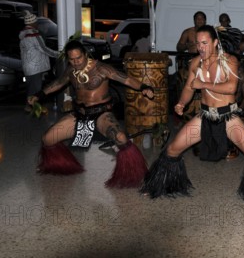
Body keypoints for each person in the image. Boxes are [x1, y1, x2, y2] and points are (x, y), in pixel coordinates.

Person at [141, 25, 244, 205]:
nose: (200, 47)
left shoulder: (229, 61)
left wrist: (204, 84)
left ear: (215, 43)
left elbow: (231, 87)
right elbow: (188, 88)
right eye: (198, 43)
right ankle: (157, 185)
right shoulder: (195, 63)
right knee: (173, 149)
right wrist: (181, 103)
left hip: (229, 118)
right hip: (205, 117)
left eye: (204, 43)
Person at [28, 40, 154, 188]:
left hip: (101, 114)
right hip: (80, 114)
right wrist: (39, 94)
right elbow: (58, 83)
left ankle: (135, 174)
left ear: (85, 54)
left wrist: (144, 87)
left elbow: (125, 79)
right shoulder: (71, 70)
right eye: (72, 59)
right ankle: (60, 166)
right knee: (48, 139)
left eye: (78, 58)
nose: (75, 62)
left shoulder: (102, 68)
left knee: (121, 138)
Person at [19, 11, 59, 112]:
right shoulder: (33, 34)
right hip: (35, 66)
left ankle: (29, 106)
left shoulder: (23, 35)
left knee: (30, 87)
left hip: (27, 66)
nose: (37, 24)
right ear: (32, 23)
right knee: (36, 89)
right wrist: (58, 54)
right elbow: (43, 49)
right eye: (36, 22)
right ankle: (34, 108)